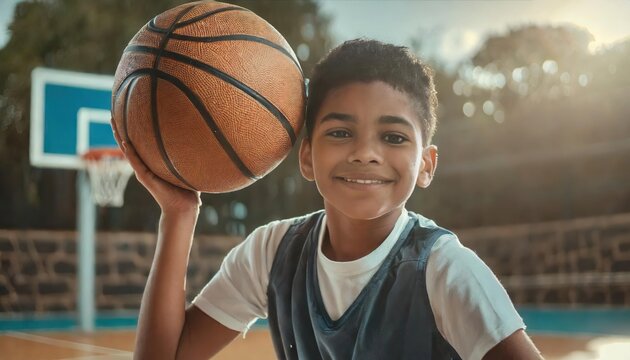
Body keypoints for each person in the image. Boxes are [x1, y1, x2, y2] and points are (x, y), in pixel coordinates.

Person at [118, 39, 543, 360]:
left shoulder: (443, 270)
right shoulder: (272, 253)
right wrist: (178, 214)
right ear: (306, 155)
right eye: (340, 132)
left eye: (393, 137)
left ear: (427, 164)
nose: (365, 152)